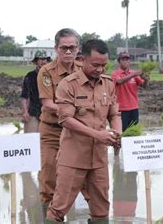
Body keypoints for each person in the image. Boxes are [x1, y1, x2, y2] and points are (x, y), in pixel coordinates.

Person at [45, 39, 121, 223]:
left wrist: (117, 133)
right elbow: (66, 119)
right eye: (95, 65)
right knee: (59, 208)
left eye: (103, 65)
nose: (100, 69)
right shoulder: (68, 84)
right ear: (82, 59)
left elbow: (114, 114)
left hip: (99, 159)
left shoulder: (108, 83)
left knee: (101, 209)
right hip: (73, 158)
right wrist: (98, 135)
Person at [37, 28, 85, 213]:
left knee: (78, 175)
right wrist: (73, 110)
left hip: (76, 131)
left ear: (77, 49)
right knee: (49, 173)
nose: (68, 52)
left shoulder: (83, 70)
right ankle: (47, 214)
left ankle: (72, 212)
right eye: (64, 48)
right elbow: (48, 103)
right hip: (52, 130)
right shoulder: (46, 72)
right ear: (56, 48)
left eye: (72, 48)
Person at [112, 51, 148, 131]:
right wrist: (133, 75)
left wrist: (146, 80)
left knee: (133, 132)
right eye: (123, 59)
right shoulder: (115, 73)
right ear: (119, 61)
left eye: (127, 59)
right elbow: (119, 81)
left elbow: (143, 85)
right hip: (122, 109)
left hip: (134, 108)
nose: (126, 61)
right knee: (122, 132)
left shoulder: (133, 73)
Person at [20, 50, 51, 133]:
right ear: (36, 62)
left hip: (49, 112)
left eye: (45, 59)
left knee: (48, 141)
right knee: (30, 140)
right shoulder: (30, 76)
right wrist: (25, 112)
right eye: (40, 59)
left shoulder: (52, 75)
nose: (43, 61)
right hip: (34, 111)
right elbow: (24, 96)